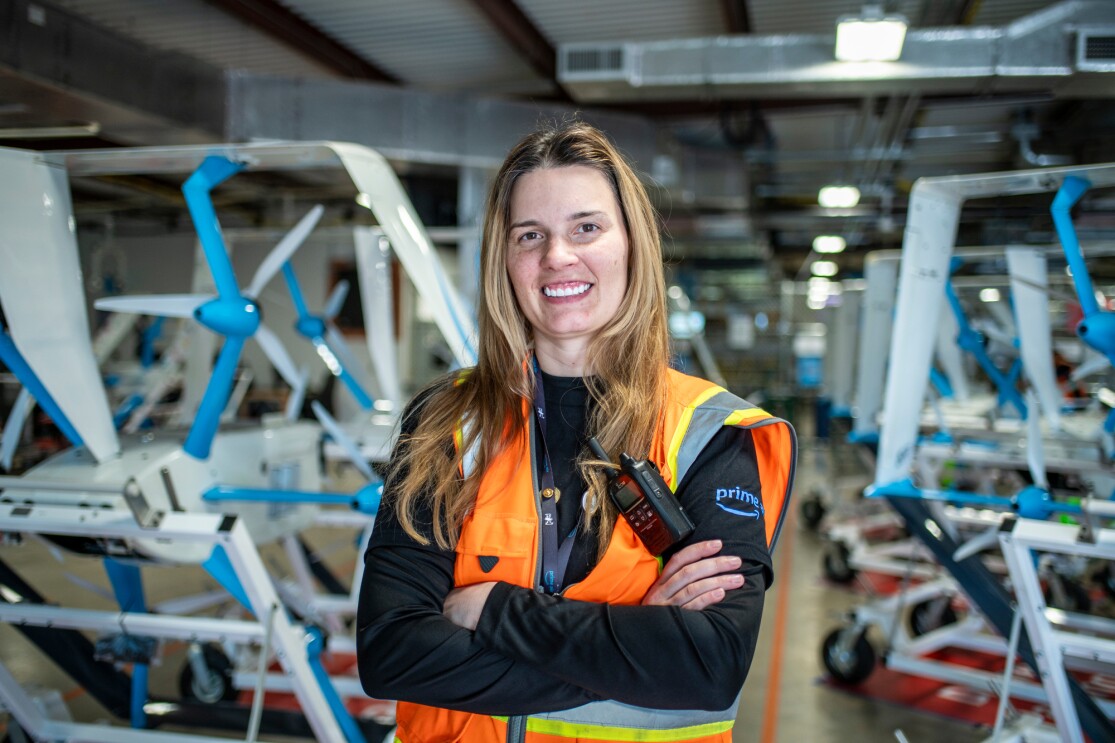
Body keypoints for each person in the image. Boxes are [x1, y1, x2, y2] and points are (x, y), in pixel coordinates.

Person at [356, 120, 797, 743]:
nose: (557, 256)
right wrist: (634, 644)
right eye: (529, 235)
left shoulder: (710, 436)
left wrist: (492, 610)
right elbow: (391, 653)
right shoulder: (444, 423)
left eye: (586, 228)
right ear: (505, 260)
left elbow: (709, 665)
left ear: (631, 245)